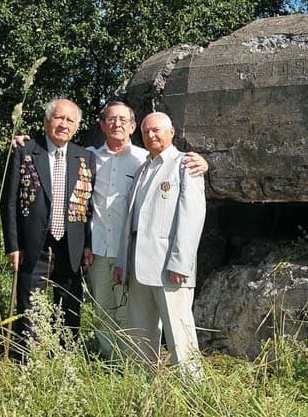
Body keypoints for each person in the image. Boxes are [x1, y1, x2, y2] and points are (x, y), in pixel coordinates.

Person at [13, 101, 208, 360]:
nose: (117, 124)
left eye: (123, 120)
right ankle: (112, 363)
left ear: (132, 126)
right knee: (102, 311)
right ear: (102, 125)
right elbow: (79, 199)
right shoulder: (87, 157)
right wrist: (24, 142)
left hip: (132, 252)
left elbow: (186, 199)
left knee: (132, 314)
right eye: (111, 119)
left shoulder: (145, 159)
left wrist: (202, 162)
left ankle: (134, 362)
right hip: (97, 250)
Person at [113, 112, 206, 376]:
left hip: (169, 266)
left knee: (179, 333)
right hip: (137, 266)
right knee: (140, 332)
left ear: (171, 132)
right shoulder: (142, 169)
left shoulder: (185, 164)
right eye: (145, 132)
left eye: (156, 130)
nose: (151, 135)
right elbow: (129, 223)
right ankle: (141, 383)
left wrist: (180, 262)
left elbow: (192, 217)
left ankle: (192, 385)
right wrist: (121, 261)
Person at [0, 98, 94, 355]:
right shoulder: (25, 150)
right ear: (46, 120)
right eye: (59, 118)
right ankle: (27, 358)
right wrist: (12, 245)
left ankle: (64, 357)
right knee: (29, 306)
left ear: (77, 126)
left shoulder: (85, 157)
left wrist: (87, 244)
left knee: (69, 307)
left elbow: (88, 206)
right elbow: (8, 203)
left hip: (71, 247)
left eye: (70, 120)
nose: (64, 124)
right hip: (33, 245)